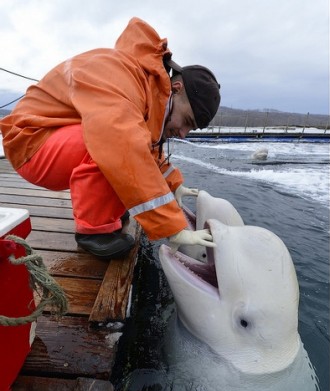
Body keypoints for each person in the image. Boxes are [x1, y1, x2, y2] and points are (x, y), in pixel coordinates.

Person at [0, 17, 221, 259]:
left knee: (123, 140)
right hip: (30, 143)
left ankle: (106, 211)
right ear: (176, 88)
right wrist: (173, 227)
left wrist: (174, 185)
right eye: (187, 122)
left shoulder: (145, 87)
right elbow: (123, 146)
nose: (182, 133)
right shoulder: (122, 75)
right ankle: (94, 231)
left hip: (53, 137)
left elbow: (144, 146)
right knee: (111, 143)